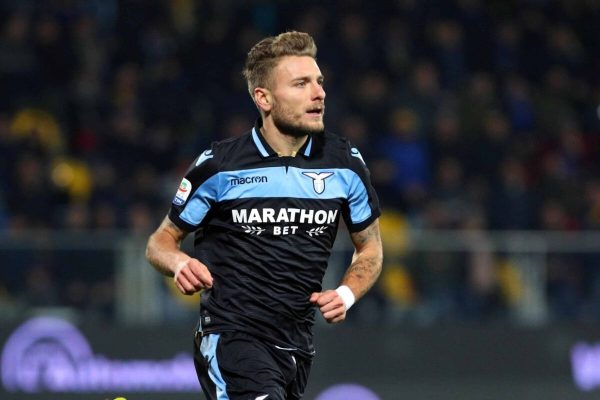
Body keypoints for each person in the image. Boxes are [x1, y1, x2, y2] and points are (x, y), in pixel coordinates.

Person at [146, 31, 383, 400]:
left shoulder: (345, 164)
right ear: (264, 98)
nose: (319, 93)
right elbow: (160, 241)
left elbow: (370, 248)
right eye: (301, 84)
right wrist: (178, 262)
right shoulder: (220, 166)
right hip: (231, 337)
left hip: (297, 345)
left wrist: (347, 293)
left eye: (319, 82)